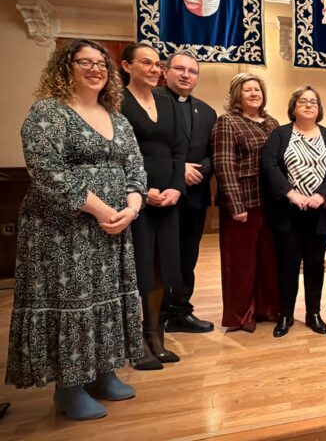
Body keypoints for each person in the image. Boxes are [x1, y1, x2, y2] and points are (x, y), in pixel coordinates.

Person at [6, 39, 146, 419]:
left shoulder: (117, 117)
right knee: (73, 303)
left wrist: (131, 207)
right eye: (85, 62)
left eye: (102, 63)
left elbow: (135, 168)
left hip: (113, 227)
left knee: (106, 299)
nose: (95, 69)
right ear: (65, 67)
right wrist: (102, 210)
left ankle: (102, 372)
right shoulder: (48, 112)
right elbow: (47, 171)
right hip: (61, 229)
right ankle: (69, 387)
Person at [120, 43, 187, 370]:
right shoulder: (117, 103)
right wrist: (142, 192)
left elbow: (178, 151)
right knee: (139, 268)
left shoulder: (167, 103)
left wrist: (176, 187)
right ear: (126, 66)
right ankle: (136, 341)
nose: (154, 69)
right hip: (134, 200)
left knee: (163, 267)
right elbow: (116, 155)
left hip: (168, 201)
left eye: (157, 64)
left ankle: (154, 335)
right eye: (145, 63)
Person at [261, 86, 326, 337]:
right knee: (287, 264)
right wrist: (291, 193)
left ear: (318, 109)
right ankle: (286, 314)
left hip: (319, 213)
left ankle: (313, 313)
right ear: (293, 107)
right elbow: (269, 164)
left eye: (313, 102)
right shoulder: (280, 134)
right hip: (288, 212)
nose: (308, 105)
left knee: (315, 264)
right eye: (303, 101)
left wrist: (321, 195)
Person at [212, 73, 280, 333]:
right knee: (240, 262)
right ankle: (241, 315)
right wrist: (235, 204)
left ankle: (268, 308)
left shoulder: (272, 122)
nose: (254, 94)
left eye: (258, 90)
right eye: (247, 90)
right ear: (236, 95)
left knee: (269, 260)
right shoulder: (227, 122)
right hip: (244, 202)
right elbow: (224, 165)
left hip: (271, 202)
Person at [156, 51, 217, 334]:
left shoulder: (206, 111)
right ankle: (154, 316)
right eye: (179, 69)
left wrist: (200, 171)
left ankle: (180, 310)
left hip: (195, 196)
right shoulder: (151, 102)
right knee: (160, 256)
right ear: (165, 71)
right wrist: (178, 169)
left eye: (192, 71)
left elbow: (212, 154)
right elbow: (144, 150)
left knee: (187, 256)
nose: (185, 75)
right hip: (161, 194)